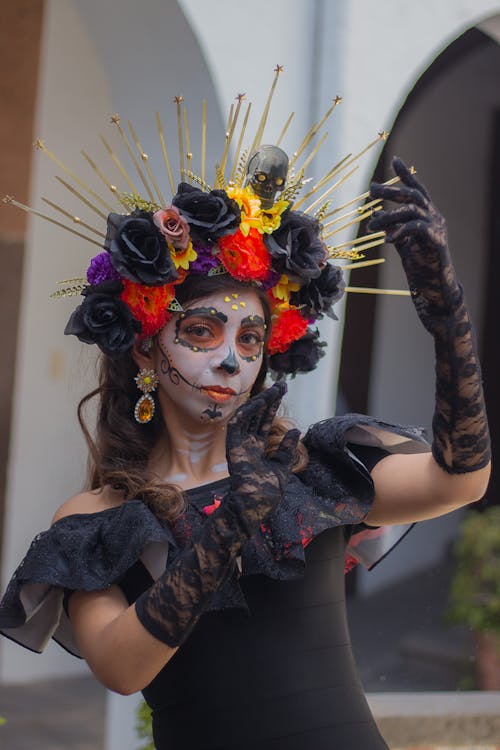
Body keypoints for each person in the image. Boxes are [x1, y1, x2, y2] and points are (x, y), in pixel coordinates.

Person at [0, 98, 491, 749]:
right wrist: (231, 521)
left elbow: (460, 481)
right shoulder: (96, 520)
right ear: (145, 347)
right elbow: (120, 667)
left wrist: (447, 314)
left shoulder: (312, 472)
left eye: (252, 338)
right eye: (202, 331)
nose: (231, 358)